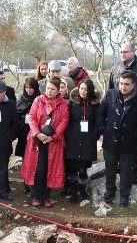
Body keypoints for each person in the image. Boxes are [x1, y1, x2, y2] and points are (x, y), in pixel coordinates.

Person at [98, 70, 137, 207]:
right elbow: (101, 113)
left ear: (134, 84)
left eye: (126, 84)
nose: (123, 87)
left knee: (126, 169)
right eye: (121, 83)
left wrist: (136, 135)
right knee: (110, 168)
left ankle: (124, 195)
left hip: (129, 141)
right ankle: (110, 191)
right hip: (110, 139)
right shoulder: (110, 94)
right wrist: (104, 129)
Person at [109, 41, 137, 184]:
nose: (122, 54)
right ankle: (120, 170)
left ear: (134, 51)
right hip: (118, 115)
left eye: (125, 52)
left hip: (136, 116)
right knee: (118, 144)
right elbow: (110, 91)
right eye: (121, 52)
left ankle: (135, 173)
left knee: (136, 144)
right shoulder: (116, 68)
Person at [20, 77, 69, 207]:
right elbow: (32, 118)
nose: (49, 91)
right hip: (37, 141)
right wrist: (38, 133)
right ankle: (35, 195)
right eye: (47, 88)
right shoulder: (38, 100)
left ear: (58, 90)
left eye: (52, 89)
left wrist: (53, 137)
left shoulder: (63, 104)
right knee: (38, 167)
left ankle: (46, 196)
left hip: (54, 142)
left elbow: (64, 121)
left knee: (50, 168)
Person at [65, 79, 101, 203]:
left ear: (90, 90)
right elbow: (67, 121)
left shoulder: (95, 104)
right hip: (73, 140)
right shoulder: (72, 103)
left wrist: (94, 135)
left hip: (87, 141)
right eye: (81, 89)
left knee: (83, 168)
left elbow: (98, 122)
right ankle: (73, 192)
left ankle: (82, 190)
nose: (83, 92)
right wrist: (68, 134)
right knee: (72, 168)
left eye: (86, 89)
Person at [15, 77, 40, 193]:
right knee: (25, 159)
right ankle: (26, 182)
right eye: (26, 88)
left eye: (31, 88)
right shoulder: (21, 99)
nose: (29, 90)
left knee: (35, 159)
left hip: (36, 134)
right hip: (23, 133)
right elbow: (16, 115)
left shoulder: (39, 100)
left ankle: (35, 182)